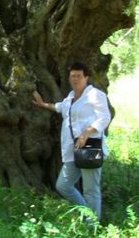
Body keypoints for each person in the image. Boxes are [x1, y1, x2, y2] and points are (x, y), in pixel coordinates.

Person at [32, 62, 111, 220]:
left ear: (86, 77)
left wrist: (87, 133)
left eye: (79, 76)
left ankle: (92, 227)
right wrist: (43, 104)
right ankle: (88, 213)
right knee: (63, 185)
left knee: (91, 189)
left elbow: (105, 117)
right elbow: (60, 107)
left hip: (89, 148)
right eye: (72, 76)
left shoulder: (95, 94)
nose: (75, 79)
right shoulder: (70, 97)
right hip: (72, 150)